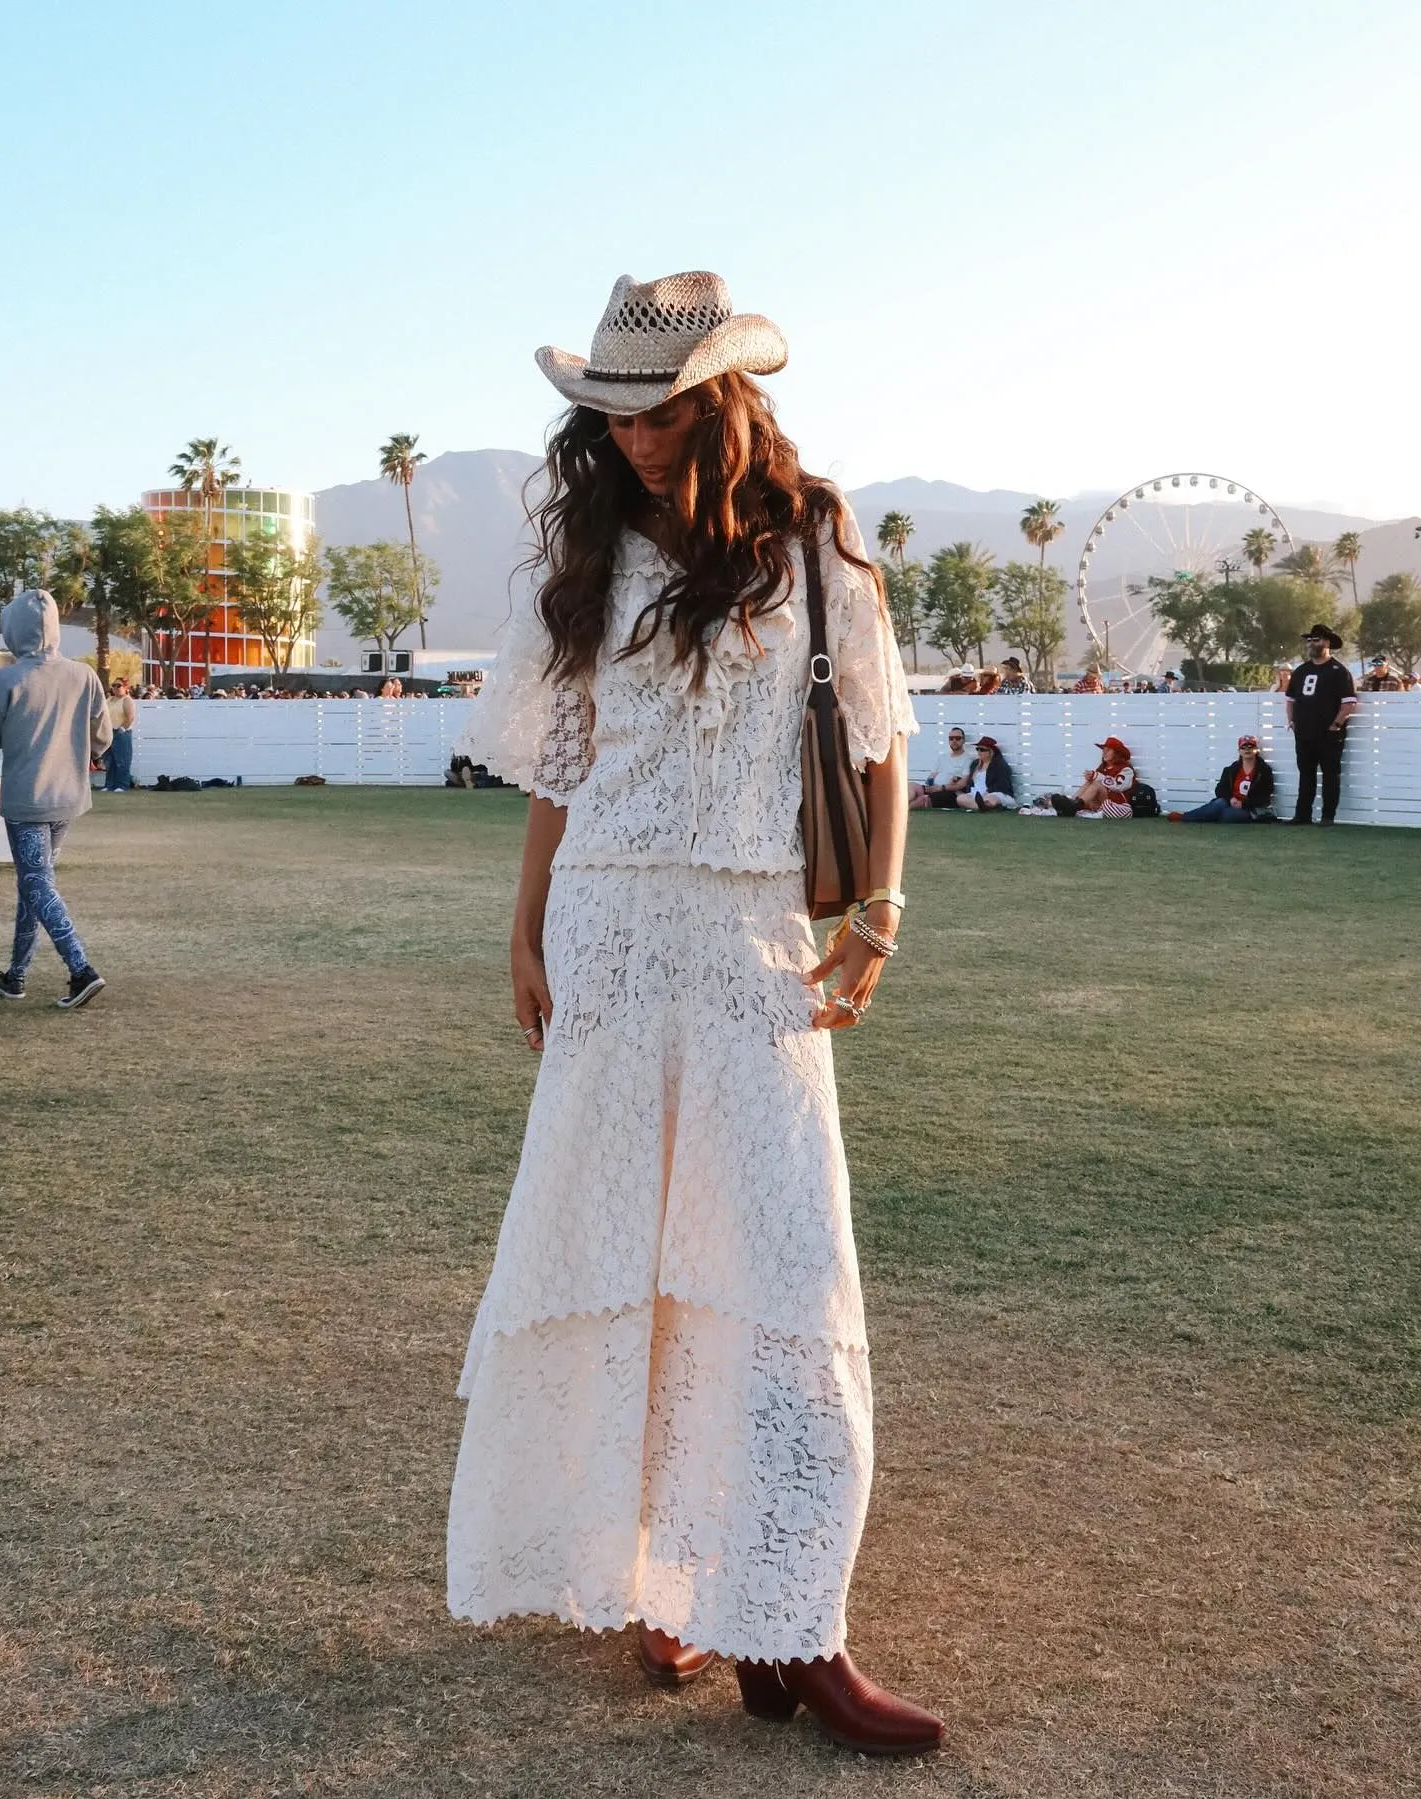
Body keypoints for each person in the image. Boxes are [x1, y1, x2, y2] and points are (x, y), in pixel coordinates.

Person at [445, 271, 943, 1756]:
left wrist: (879, 912)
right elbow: (561, 757)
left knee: (784, 1266)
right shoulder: (594, 557)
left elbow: (877, 732)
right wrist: (526, 922)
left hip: (750, 931)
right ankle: (662, 1573)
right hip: (610, 925)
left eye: (660, 411)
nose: (638, 438)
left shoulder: (809, 538)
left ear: (720, 400)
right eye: (613, 415)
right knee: (632, 1262)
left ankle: (800, 1622)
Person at [0, 590, 111, 1008]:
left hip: (26, 796)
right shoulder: (84, 674)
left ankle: (81, 969)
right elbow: (103, 737)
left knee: (36, 881)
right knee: (33, 883)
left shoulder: (6, 678)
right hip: (68, 795)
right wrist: (77, 754)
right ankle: (15, 975)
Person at [1286, 624, 1357, 826]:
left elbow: (1349, 703)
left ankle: (1327, 816)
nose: (1311, 643)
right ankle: (1302, 815)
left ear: (1327, 642)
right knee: (1306, 775)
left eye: (1315, 640)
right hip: (1304, 733)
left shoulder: (1339, 671)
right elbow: (1290, 699)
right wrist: (1291, 720)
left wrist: (1336, 724)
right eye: (1309, 640)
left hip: (1329, 734)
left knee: (1330, 776)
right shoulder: (1301, 671)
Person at [1167, 734, 1276, 822]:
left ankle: (1206, 816)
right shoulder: (1231, 769)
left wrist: (1244, 804)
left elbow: (1264, 796)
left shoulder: (1264, 771)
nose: (1247, 749)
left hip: (1249, 808)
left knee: (1227, 814)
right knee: (1219, 804)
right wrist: (1231, 799)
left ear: (1257, 750)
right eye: (1244, 747)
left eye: (1250, 746)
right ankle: (1184, 817)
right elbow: (1219, 790)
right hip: (1229, 802)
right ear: (1239, 751)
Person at [909, 725, 970, 809]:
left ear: (963, 740)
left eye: (957, 738)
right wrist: (929, 784)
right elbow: (932, 775)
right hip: (933, 788)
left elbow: (962, 783)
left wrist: (941, 788)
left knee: (923, 799)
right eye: (951, 738)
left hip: (948, 792)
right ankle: (898, 806)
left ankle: (902, 811)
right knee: (911, 786)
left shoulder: (968, 759)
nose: (954, 741)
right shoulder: (942, 757)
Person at [1072, 736, 1135, 817]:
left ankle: (1074, 806)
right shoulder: (1103, 767)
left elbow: (1119, 786)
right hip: (1102, 801)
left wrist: (1097, 776)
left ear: (1116, 753)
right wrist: (1091, 777)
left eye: (1108, 750)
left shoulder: (1126, 769)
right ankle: (1071, 803)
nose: (1104, 753)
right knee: (1091, 782)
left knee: (1096, 784)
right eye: (1104, 750)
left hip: (1117, 803)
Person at [954, 735, 1018, 810]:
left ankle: (983, 805)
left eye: (982, 750)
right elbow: (969, 782)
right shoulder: (975, 764)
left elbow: (1002, 785)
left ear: (990, 751)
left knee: (992, 798)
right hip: (976, 795)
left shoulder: (1000, 765)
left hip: (995, 793)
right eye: (977, 749)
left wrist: (987, 792)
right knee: (960, 798)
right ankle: (982, 806)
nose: (979, 752)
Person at [103, 677, 136, 791]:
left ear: (125, 687)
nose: (115, 688)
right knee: (109, 760)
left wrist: (123, 728)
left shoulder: (127, 700)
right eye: (114, 685)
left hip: (121, 732)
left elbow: (130, 716)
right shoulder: (109, 699)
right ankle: (109, 785)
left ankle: (122, 785)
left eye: (119, 685)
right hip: (109, 732)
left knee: (122, 760)